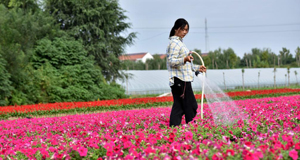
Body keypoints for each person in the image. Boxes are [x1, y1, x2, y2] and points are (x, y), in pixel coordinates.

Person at [166, 18, 206, 127]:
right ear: (176, 28)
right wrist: (184, 59)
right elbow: (171, 61)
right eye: (183, 29)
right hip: (180, 80)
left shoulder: (180, 43)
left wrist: (198, 68)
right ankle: (192, 127)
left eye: (186, 30)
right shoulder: (174, 43)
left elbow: (187, 65)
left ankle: (176, 129)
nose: (185, 32)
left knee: (180, 106)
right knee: (189, 105)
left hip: (183, 79)